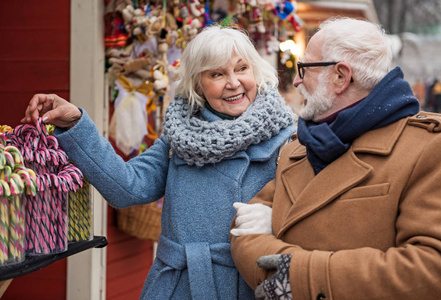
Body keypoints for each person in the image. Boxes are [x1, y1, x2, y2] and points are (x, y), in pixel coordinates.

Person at [22, 25, 297, 299]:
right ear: (198, 84)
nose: (234, 82)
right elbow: (127, 188)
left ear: (255, 71)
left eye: (241, 68)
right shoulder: (179, 137)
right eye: (217, 73)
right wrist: (76, 124)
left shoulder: (288, 138)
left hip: (249, 285)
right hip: (178, 287)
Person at [230, 17, 441, 300]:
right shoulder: (299, 147)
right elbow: (242, 233)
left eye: (304, 68)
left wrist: (300, 275)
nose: (296, 80)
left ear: (340, 77)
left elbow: (434, 270)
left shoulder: (429, 148)